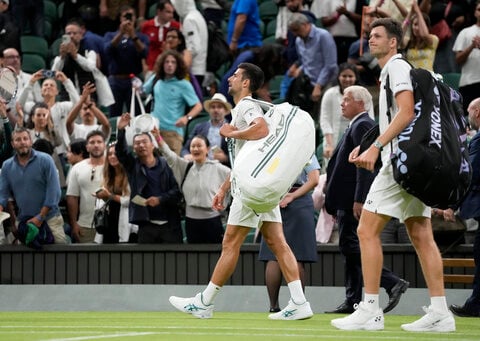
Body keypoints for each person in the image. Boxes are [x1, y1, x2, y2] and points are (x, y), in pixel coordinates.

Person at [331, 18, 455, 332]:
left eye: (377, 36)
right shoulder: (395, 70)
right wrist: (368, 144)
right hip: (413, 163)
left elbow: (406, 111)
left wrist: (376, 148)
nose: (370, 40)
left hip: (398, 162)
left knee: (365, 231)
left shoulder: (397, 68)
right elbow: (391, 119)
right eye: (369, 35)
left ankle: (370, 309)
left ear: (393, 43)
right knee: (421, 235)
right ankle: (441, 312)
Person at [169, 62, 314, 320]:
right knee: (277, 243)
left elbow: (262, 129)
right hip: (254, 185)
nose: (230, 78)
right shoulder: (242, 108)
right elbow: (245, 158)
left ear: (245, 82)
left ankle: (205, 302)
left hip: (250, 190)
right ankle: (300, 302)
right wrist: (224, 188)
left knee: (232, 243)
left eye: (235, 75)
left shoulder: (247, 106)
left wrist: (232, 131)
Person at [324, 85, 408, 315]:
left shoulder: (363, 125)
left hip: (354, 199)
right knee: (349, 248)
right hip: (347, 199)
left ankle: (391, 282)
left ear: (361, 104)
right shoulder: (356, 125)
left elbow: (366, 165)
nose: (342, 103)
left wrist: (360, 199)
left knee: (351, 246)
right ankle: (352, 300)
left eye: (347, 99)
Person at [258, 155, 320, 313]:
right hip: (298, 201)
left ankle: (273, 306)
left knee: (273, 256)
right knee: (297, 256)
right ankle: (298, 305)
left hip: (273, 199)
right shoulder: (305, 150)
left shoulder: (274, 151)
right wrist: (292, 195)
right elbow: (314, 180)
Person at [115, 113, 183, 244]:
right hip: (146, 225)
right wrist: (121, 131)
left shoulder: (167, 165)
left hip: (170, 224)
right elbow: (121, 153)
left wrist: (160, 199)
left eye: (144, 142)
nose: (141, 145)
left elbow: (177, 191)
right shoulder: (133, 166)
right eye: (137, 143)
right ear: (134, 148)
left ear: (153, 145)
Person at [157, 132, 230, 243]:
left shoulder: (219, 168)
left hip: (213, 221)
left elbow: (235, 177)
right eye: (193, 146)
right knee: (193, 258)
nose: (195, 149)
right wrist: (158, 137)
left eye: (199, 146)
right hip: (191, 222)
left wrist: (225, 201)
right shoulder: (185, 166)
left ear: (208, 149)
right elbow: (169, 155)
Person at [0, 127, 68, 244]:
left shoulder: (46, 160)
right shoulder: (7, 166)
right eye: (18, 140)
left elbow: (54, 192)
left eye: (25, 139)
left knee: (60, 258)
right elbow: (3, 194)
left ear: (30, 141)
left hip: (50, 219)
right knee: (26, 260)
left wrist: (40, 217)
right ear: (12, 144)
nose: (22, 142)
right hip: (25, 221)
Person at [451, 97, 480, 317]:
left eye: (469, 113)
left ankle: (474, 305)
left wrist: (451, 204)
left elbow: (470, 174)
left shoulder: (478, 140)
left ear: (477, 113)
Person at [142, 50, 202, 155]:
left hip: (173, 133)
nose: (170, 64)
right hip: (154, 131)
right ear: (162, 64)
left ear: (178, 65)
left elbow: (198, 106)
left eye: (173, 62)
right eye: (167, 62)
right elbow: (142, 91)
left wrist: (187, 118)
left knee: (171, 169)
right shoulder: (156, 79)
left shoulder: (184, 84)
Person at [52, 18, 114, 107]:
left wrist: (76, 56)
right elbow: (53, 73)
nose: (72, 36)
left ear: (81, 35)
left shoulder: (89, 52)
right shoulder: (60, 57)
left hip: (88, 98)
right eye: (69, 34)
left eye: (74, 33)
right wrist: (62, 57)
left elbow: (91, 67)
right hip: (67, 99)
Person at [286, 13, 338, 117]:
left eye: (296, 30)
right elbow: (304, 61)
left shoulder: (323, 36)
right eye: (293, 31)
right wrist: (299, 69)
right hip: (309, 82)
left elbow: (330, 65)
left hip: (327, 82)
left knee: (323, 116)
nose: (295, 34)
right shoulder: (298, 40)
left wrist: (318, 86)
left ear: (305, 25)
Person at [320, 63, 374, 160]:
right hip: (333, 140)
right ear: (338, 77)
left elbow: (370, 120)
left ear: (356, 77)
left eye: (350, 76)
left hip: (358, 141)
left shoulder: (364, 95)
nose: (347, 79)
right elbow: (325, 120)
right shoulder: (329, 94)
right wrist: (329, 144)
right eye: (344, 76)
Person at [104, 5, 149, 118]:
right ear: (120, 18)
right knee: (114, 114)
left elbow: (144, 52)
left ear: (135, 18)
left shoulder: (141, 37)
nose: (128, 19)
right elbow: (107, 50)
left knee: (136, 115)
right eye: (125, 16)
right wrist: (121, 33)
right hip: (115, 79)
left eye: (131, 16)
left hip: (133, 80)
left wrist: (133, 35)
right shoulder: (110, 35)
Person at [66, 130, 107, 243]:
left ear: (104, 145)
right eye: (92, 142)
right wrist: (74, 224)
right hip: (84, 225)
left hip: (110, 225)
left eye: (99, 142)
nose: (96, 145)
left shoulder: (113, 166)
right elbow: (72, 198)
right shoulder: (77, 168)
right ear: (87, 147)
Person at [94, 142, 138, 243]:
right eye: (110, 154)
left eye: (116, 153)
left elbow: (130, 201)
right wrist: (101, 196)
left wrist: (109, 196)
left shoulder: (131, 175)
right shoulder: (106, 175)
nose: (113, 156)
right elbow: (106, 200)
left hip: (125, 220)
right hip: (109, 221)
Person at [181, 93, 231, 166]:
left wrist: (226, 158)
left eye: (219, 107)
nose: (216, 110)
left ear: (226, 111)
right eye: (213, 107)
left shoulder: (231, 129)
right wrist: (186, 155)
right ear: (209, 110)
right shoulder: (199, 127)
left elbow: (239, 154)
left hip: (222, 168)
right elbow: (185, 149)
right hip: (201, 166)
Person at [26, 103, 66, 188]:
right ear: (33, 118)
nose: (41, 118)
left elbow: (58, 142)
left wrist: (50, 125)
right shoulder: (28, 133)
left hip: (51, 168)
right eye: (38, 115)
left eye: (44, 115)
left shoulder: (51, 133)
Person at [171, 0, 209, 87]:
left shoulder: (189, 20)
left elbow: (194, 48)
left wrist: (182, 64)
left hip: (193, 70)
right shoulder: (198, 16)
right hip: (200, 68)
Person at [453, 0, 480, 114]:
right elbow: (458, 60)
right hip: (468, 83)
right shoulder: (465, 32)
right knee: (467, 119)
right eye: (479, 9)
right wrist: (472, 46)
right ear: (475, 13)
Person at [141, 0, 181, 77]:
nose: (171, 15)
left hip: (169, 68)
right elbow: (142, 48)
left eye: (172, 12)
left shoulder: (177, 27)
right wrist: (144, 65)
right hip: (150, 68)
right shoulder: (147, 26)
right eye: (168, 12)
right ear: (159, 11)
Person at [400, 0, 439, 71]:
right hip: (411, 79)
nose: (417, 28)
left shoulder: (433, 39)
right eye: (415, 24)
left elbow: (424, 35)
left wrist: (418, 11)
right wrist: (410, 14)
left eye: (419, 25)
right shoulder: (408, 42)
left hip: (427, 79)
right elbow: (399, 35)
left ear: (426, 27)